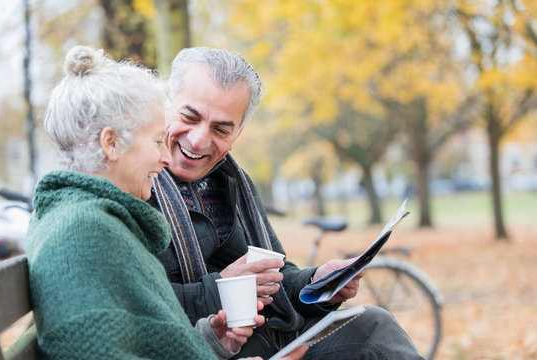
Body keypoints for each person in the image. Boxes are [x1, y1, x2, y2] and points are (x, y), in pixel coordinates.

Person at [26, 45, 306, 360]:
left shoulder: (94, 220)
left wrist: (212, 341)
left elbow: (146, 335)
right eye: (158, 140)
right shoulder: (84, 230)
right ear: (112, 143)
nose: (164, 156)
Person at [149, 46, 424, 359]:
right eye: (190, 116)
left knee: (374, 327)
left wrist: (317, 281)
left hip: (275, 341)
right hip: (202, 348)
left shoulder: (233, 183)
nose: (199, 140)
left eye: (220, 129)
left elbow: (277, 276)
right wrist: (220, 289)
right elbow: (130, 302)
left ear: (238, 133)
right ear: (166, 104)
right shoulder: (135, 183)